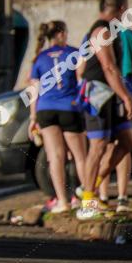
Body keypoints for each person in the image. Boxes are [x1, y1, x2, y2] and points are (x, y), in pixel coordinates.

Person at [76, 0, 132, 221]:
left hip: (112, 94)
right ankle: (87, 203)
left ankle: (90, 187)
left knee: (128, 141)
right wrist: (127, 96)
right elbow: (108, 68)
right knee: (98, 146)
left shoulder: (113, 32)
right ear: (121, 8)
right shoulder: (101, 31)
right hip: (99, 95)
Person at [27, 20, 87, 213]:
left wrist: (33, 118)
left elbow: (33, 90)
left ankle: (62, 202)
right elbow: (82, 79)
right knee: (81, 157)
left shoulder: (39, 58)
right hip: (69, 108)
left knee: (55, 158)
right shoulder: (73, 53)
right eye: (66, 32)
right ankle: (88, 202)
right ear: (61, 34)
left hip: (45, 110)